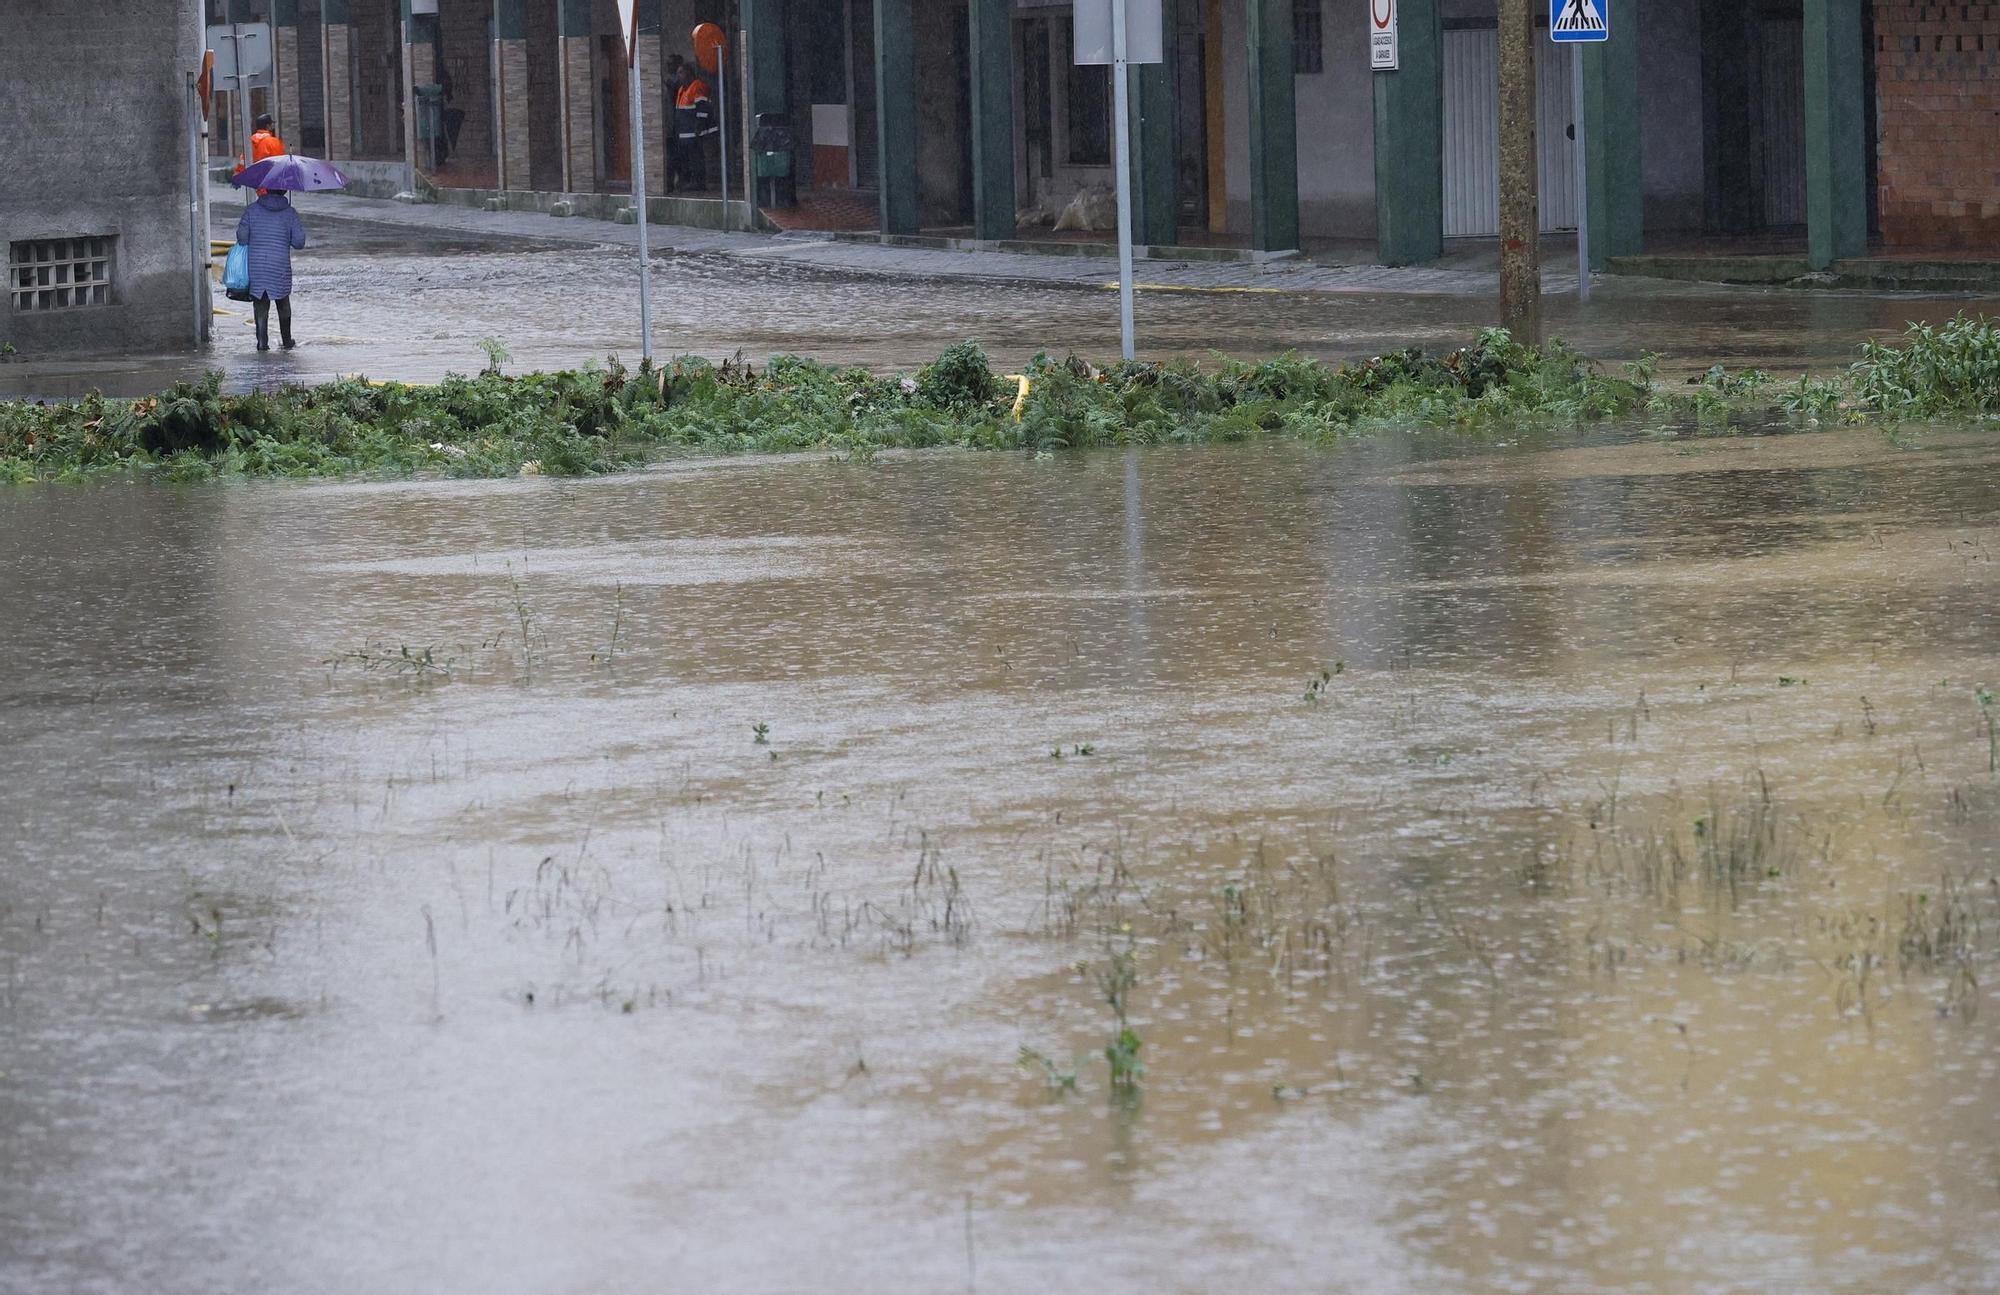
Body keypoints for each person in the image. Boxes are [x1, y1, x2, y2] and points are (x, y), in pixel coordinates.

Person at [235, 188, 306, 352]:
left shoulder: (252, 210)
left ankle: (262, 343)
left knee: (260, 303)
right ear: (285, 191)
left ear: (265, 189)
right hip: (280, 267)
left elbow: (242, 238)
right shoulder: (290, 213)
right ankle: (287, 341)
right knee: (283, 301)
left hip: (257, 267)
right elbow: (299, 243)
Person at [674, 68, 717, 191]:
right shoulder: (682, 90)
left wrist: (699, 126)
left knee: (697, 157)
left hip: (696, 132)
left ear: (690, 74)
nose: (679, 76)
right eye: (678, 73)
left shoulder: (697, 87)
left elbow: (703, 108)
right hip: (686, 133)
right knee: (689, 158)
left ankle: (699, 182)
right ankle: (691, 181)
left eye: (681, 72)